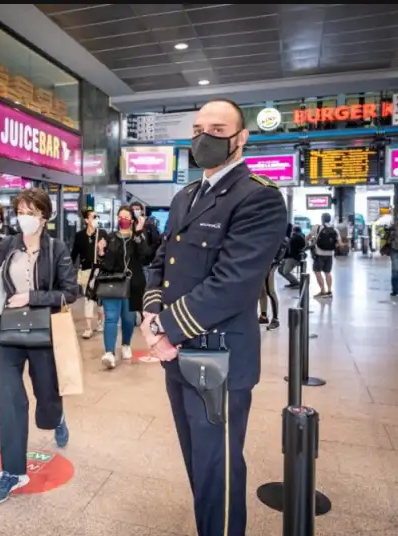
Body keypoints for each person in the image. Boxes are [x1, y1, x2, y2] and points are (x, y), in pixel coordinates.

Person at [139, 99, 287, 536]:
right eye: (199, 128)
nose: (204, 137)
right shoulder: (186, 195)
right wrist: (151, 314)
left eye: (218, 130)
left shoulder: (258, 197)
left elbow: (234, 283)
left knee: (217, 468)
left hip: (218, 359)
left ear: (241, 139)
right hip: (176, 355)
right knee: (196, 460)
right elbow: (161, 263)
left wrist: (166, 328)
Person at [0, 188, 78, 505]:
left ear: (44, 217)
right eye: (20, 210)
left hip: (42, 333)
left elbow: (70, 292)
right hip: (8, 332)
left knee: (46, 396)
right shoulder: (8, 245)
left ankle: (57, 418)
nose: (24, 217)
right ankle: (12, 471)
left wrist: (33, 297)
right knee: (10, 399)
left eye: (31, 212)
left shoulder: (57, 249)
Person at [96, 205, 152, 369]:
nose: (123, 220)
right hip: (113, 283)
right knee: (111, 318)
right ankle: (109, 353)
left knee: (128, 319)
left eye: (126, 217)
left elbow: (145, 255)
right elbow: (105, 264)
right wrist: (101, 252)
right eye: (120, 217)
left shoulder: (137, 237)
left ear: (132, 220)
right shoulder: (111, 237)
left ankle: (126, 344)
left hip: (132, 284)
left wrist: (139, 233)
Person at [69, 209, 107, 338]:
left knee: (100, 300)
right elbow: (74, 253)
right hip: (86, 271)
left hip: (100, 271)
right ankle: (88, 328)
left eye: (97, 216)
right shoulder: (80, 236)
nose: (96, 219)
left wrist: (101, 249)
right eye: (93, 216)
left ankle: (101, 322)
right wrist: (69, 268)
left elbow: (108, 254)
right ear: (86, 220)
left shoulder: (102, 234)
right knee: (88, 298)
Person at [307, 213, 342, 299]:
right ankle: (329, 291)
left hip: (319, 254)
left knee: (317, 271)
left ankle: (322, 290)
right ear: (329, 219)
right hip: (330, 254)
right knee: (328, 273)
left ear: (322, 219)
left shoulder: (317, 228)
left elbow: (308, 237)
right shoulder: (335, 229)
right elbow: (339, 243)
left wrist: (309, 243)